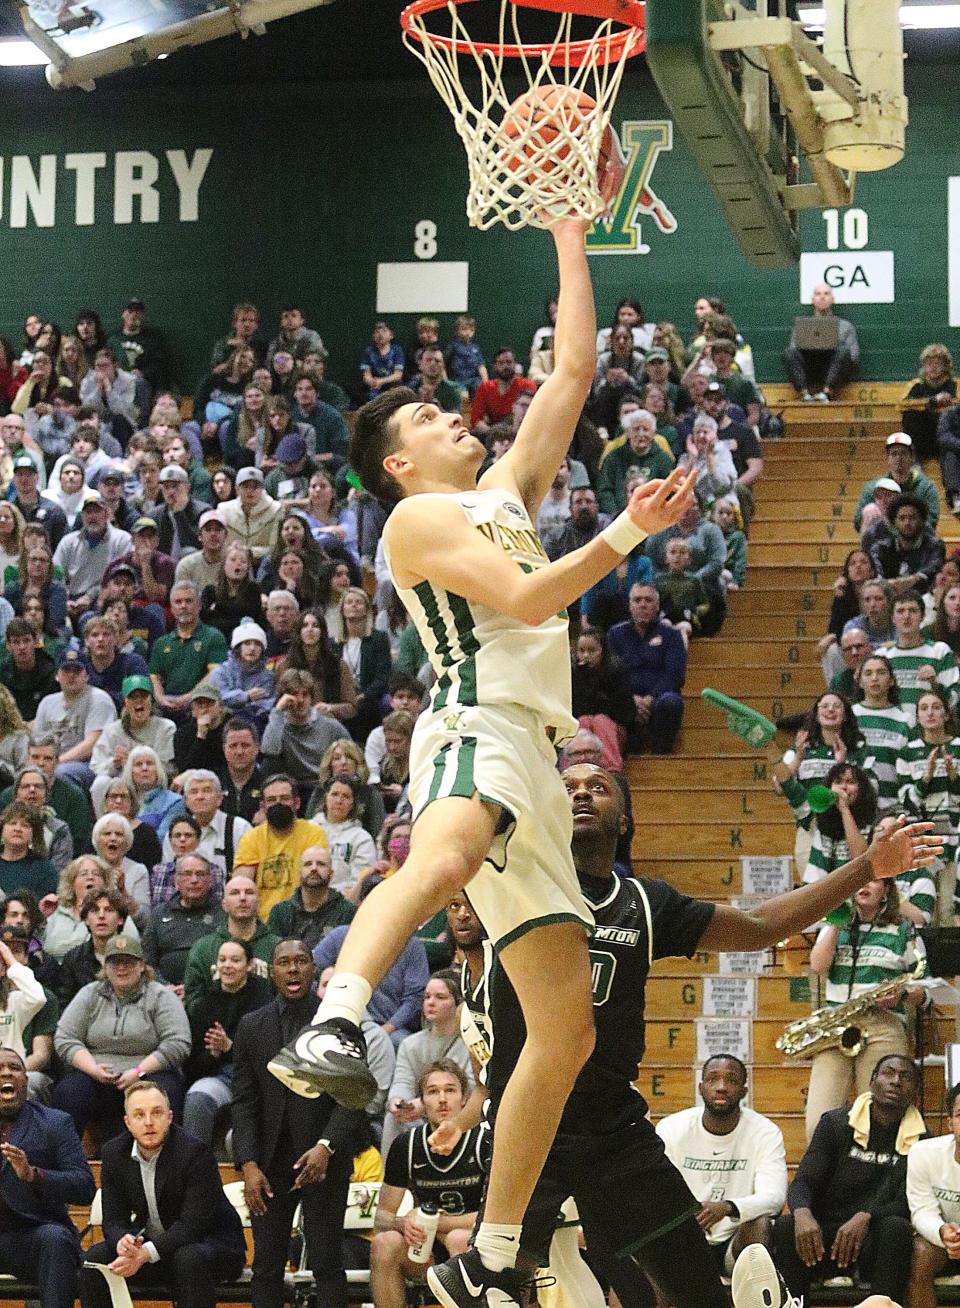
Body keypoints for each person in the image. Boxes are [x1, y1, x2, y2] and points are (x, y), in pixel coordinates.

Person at [268, 215, 700, 1303]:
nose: (447, 411)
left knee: (564, 1030)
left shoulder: (502, 494)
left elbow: (575, 369)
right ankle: (337, 1018)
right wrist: (624, 538)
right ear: (399, 464)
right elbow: (525, 596)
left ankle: (494, 1259)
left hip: (536, 756)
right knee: (448, 853)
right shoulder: (417, 524)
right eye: (423, 415)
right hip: (472, 727)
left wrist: (568, 232)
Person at [433, 765, 938, 1308]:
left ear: (625, 819)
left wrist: (866, 866)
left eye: (597, 787)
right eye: (566, 786)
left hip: (615, 1132)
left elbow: (760, 927)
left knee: (698, 1294)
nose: (580, 792)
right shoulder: (514, 881)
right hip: (528, 1128)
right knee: (495, 1293)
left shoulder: (646, 904)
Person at [232, 938, 363, 1308]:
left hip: (325, 1161)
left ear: (313, 968)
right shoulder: (251, 1027)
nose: (293, 969)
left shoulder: (340, 1023)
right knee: (267, 1267)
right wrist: (249, 1165)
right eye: (284, 962)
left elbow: (353, 1097)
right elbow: (243, 1101)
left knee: (327, 1263)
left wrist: (326, 1147)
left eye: (301, 961)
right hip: (269, 1165)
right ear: (271, 972)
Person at [774, 1055, 924, 1306]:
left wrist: (867, 1216)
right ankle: (793, 1304)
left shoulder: (923, 1139)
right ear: (873, 1079)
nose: (896, 1081)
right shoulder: (835, 1123)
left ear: (916, 1092)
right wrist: (802, 1213)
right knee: (787, 1225)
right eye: (888, 1073)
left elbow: (907, 1202)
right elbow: (804, 1180)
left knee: (896, 1227)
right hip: (823, 1240)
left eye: (906, 1077)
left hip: (873, 1242)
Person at [81, 1081, 245, 1308]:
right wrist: (123, 1242)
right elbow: (114, 1218)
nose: (148, 1122)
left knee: (188, 1258)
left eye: (156, 1113)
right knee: (96, 1258)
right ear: (128, 1122)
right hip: (156, 1250)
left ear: (169, 1117)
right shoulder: (114, 1153)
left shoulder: (195, 1153)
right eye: (139, 1115)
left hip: (211, 1246)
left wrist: (145, 1253)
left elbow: (192, 1226)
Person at [805, 880, 925, 1137]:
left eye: (872, 880)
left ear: (886, 890)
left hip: (882, 1023)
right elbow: (817, 965)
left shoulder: (903, 929)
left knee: (880, 1117)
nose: (863, 885)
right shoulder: (835, 925)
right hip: (836, 1025)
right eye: (857, 880)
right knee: (817, 1120)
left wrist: (901, 995)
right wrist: (837, 921)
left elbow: (924, 989)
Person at [655, 1055, 787, 1272]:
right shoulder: (672, 1129)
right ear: (700, 1087)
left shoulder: (765, 1132)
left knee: (759, 1225)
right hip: (684, 1239)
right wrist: (687, 1217)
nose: (722, 1087)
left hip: (733, 1243)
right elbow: (658, 1192)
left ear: (744, 1092)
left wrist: (727, 1207)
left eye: (732, 1081)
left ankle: (754, 1301)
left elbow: (774, 1197)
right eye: (713, 1080)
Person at [372, 1060, 485, 1308]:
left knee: (458, 1239)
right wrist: (402, 1223)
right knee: (384, 1242)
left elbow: (493, 1218)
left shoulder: (484, 1141)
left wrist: (439, 1225)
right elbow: (381, 1217)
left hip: (476, 1244)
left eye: (450, 1090)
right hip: (424, 1249)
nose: (442, 1099)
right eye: (433, 1092)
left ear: (465, 1099)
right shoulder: (406, 1145)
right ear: (422, 1102)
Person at [52, 932, 191, 1133]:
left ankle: (167, 1159)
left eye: (128, 962)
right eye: (114, 962)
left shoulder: (161, 996)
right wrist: (93, 1069)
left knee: (165, 1093)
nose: (121, 968)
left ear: (141, 965)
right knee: (68, 1092)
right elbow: (65, 1038)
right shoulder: (90, 993)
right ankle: (67, 1160)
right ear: (105, 967)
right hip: (96, 1074)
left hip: (149, 1073)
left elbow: (178, 1043)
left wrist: (138, 1072)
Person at [0, 1046, 95, 1308]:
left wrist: (34, 1175)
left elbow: (84, 1186)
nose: (7, 1073)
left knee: (55, 1239)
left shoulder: (55, 1123)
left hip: (32, 1238)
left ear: (26, 1081)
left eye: (15, 1068)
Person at [383, 973, 473, 1155]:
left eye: (440, 997)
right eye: (426, 997)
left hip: (460, 1113)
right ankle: (391, 1178)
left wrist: (425, 1104)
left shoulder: (470, 1043)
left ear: (458, 1004)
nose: (431, 1002)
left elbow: (472, 1088)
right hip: (419, 1116)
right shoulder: (410, 1044)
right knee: (392, 1120)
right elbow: (402, 1081)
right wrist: (398, 1103)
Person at [233, 773, 328, 919]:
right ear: (263, 806)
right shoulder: (251, 838)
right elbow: (241, 886)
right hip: (263, 923)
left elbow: (316, 880)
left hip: (304, 918)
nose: (278, 804)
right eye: (271, 800)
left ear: (297, 803)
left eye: (284, 799)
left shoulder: (313, 833)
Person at [606, 582, 687, 754]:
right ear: (630, 605)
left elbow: (675, 675)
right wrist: (631, 698)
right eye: (637, 600)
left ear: (657, 606)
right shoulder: (615, 635)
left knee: (671, 702)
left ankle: (661, 755)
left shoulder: (672, 635)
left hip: (659, 698)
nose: (643, 604)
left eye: (648, 600)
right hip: (626, 699)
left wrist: (650, 698)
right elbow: (610, 674)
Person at [182, 874, 279, 1011]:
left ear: (258, 903)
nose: (243, 898)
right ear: (224, 904)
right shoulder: (203, 948)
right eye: (235, 893)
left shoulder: (277, 946)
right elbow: (194, 1000)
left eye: (249, 892)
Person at [906, 1080, 960, 1308]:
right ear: (950, 1123)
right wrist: (942, 1232)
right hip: (945, 1242)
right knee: (921, 1252)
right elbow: (921, 1211)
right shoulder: (923, 1153)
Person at [33, 649, 117, 790]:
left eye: (77, 670)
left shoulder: (99, 699)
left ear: (87, 675)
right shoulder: (47, 702)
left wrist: (56, 762)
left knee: (60, 773)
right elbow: (37, 743)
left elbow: (92, 744)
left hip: (90, 764)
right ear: (57, 675)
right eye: (66, 670)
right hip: (51, 761)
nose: (71, 675)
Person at [141, 853, 224, 994]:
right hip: (164, 993)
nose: (194, 880)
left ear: (210, 880)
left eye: (200, 874)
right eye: (187, 874)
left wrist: (194, 989)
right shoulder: (159, 914)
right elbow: (147, 961)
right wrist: (165, 988)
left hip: (210, 993)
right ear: (176, 881)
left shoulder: (223, 914)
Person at [878, 589, 960, 725]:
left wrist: (935, 683)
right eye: (900, 611)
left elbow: (955, 700)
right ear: (892, 618)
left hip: (929, 734)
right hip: (893, 733)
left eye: (913, 611)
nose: (906, 616)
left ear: (922, 616)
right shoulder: (882, 657)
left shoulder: (939, 651)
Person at [261, 669, 350, 789]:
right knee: (268, 764)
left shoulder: (330, 725)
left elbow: (352, 755)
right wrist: (278, 711)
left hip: (324, 786)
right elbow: (269, 750)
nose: (300, 700)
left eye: (305, 694)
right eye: (295, 694)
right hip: (292, 788)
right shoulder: (278, 725)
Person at [266, 844, 355, 957]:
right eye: (308, 864)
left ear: (331, 874)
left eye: (321, 864)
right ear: (299, 873)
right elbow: (273, 956)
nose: (314, 868)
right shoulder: (280, 912)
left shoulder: (347, 911)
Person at [56, 885, 134, 1008]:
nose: (101, 916)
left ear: (120, 919)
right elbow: (65, 1005)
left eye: (109, 910)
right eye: (94, 910)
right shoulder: (73, 959)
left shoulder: (134, 956)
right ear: (86, 920)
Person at [782, 281, 860, 401]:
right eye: (818, 294)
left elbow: (854, 356)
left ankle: (827, 393)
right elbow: (792, 351)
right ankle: (804, 394)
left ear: (832, 299)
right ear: (813, 300)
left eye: (826, 294)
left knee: (844, 351)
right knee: (788, 352)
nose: (822, 297)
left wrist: (835, 348)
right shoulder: (801, 326)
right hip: (809, 369)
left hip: (834, 371)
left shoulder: (846, 326)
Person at [854, 432, 940, 533]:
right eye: (894, 454)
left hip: (915, 539)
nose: (899, 458)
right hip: (881, 540)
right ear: (888, 458)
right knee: (869, 509)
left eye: (903, 453)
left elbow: (931, 521)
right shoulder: (873, 487)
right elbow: (858, 521)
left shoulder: (926, 487)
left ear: (912, 457)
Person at [870, 494, 945, 596]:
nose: (907, 523)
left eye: (912, 517)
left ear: (921, 520)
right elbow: (876, 573)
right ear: (894, 522)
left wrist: (912, 580)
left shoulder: (935, 545)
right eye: (902, 518)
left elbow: (932, 570)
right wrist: (889, 584)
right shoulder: (880, 548)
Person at [0, 801, 57, 901]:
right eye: (12, 823)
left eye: (25, 825)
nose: (18, 829)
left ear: (34, 834)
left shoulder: (44, 870)